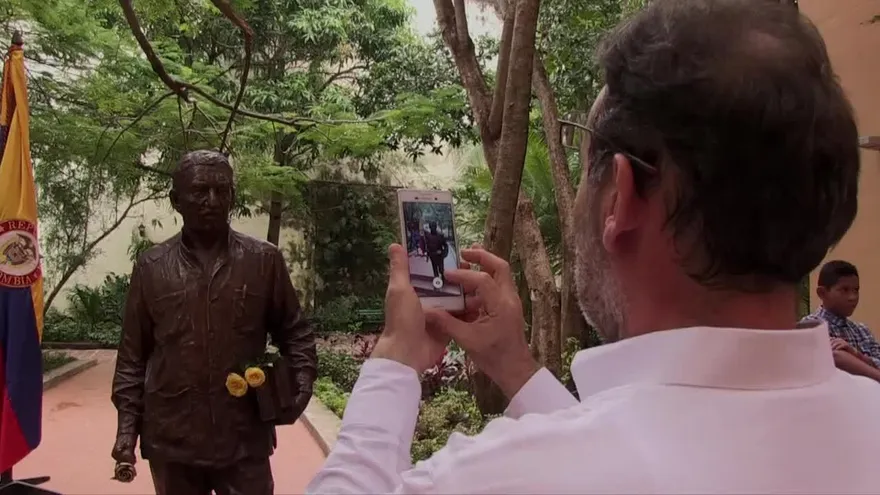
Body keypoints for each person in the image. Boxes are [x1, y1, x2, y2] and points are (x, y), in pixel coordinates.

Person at [306, 0, 880, 492]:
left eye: (586, 171)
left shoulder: (499, 477)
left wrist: (394, 360)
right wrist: (513, 364)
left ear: (619, 199)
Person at [111, 150, 317, 495]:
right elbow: (133, 357)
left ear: (232, 196)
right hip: (172, 438)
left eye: (222, 191)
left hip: (244, 434)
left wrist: (302, 384)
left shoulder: (263, 260)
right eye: (199, 191)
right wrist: (126, 431)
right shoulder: (151, 268)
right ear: (176, 200)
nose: (212, 200)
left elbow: (295, 332)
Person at [802, 260, 880, 382]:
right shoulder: (811, 327)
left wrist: (856, 355)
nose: (853, 297)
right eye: (844, 290)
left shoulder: (862, 330)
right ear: (822, 293)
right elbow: (836, 359)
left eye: (856, 290)